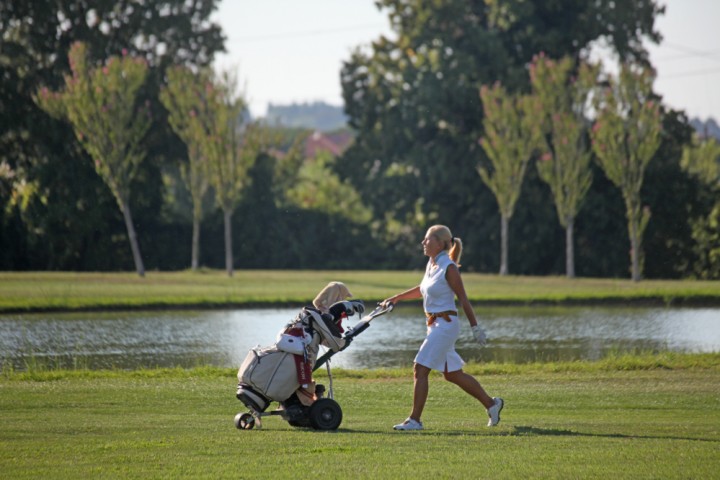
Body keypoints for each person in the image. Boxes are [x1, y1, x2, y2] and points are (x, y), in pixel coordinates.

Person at [381, 225, 503, 430]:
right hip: (434, 325)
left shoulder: (450, 267)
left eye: (427, 239)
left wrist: (475, 328)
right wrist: (397, 298)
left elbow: (463, 299)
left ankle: (415, 420)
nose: (423, 243)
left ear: (439, 243)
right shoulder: (431, 264)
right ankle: (492, 404)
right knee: (452, 374)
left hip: (445, 326)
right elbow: (421, 290)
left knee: (420, 368)